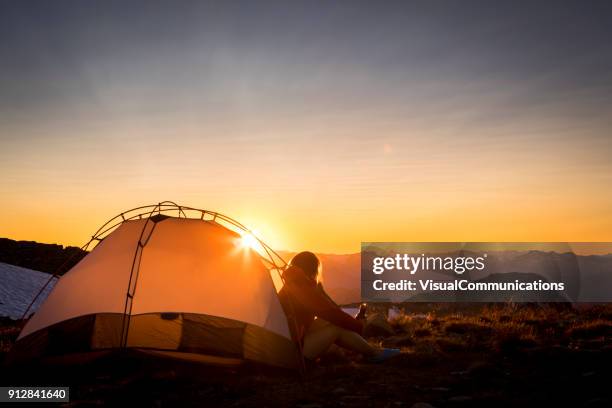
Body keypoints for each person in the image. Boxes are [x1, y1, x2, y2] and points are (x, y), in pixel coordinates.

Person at [278, 251, 400, 363]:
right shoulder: (300, 287)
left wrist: (318, 289)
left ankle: (365, 350)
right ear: (312, 269)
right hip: (291, 353)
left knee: (329, 323)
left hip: (288, 343)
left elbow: (331, 308)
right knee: (335, 328)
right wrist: (358, 326)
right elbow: (331, 313)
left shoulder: (294, 283)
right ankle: (373, 353)